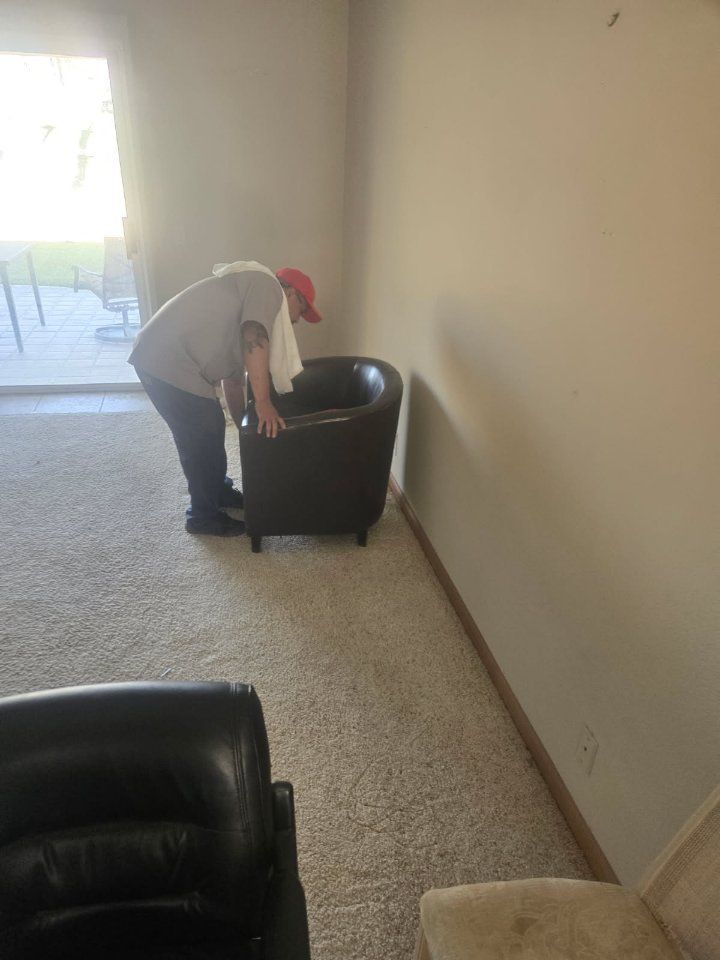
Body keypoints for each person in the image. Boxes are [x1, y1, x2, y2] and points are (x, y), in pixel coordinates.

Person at [128, 262, 322, 537]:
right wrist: (264, 403)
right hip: (165, 361)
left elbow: (233, 380)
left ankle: (218, 492)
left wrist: (244, 422)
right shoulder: (268, 287)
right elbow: (254, 335)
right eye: (301, 311)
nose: (297, 321)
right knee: (199, 438)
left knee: (212, 427)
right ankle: (202, 517)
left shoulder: (245, 302)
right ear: (290, 293)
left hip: (167, 358)